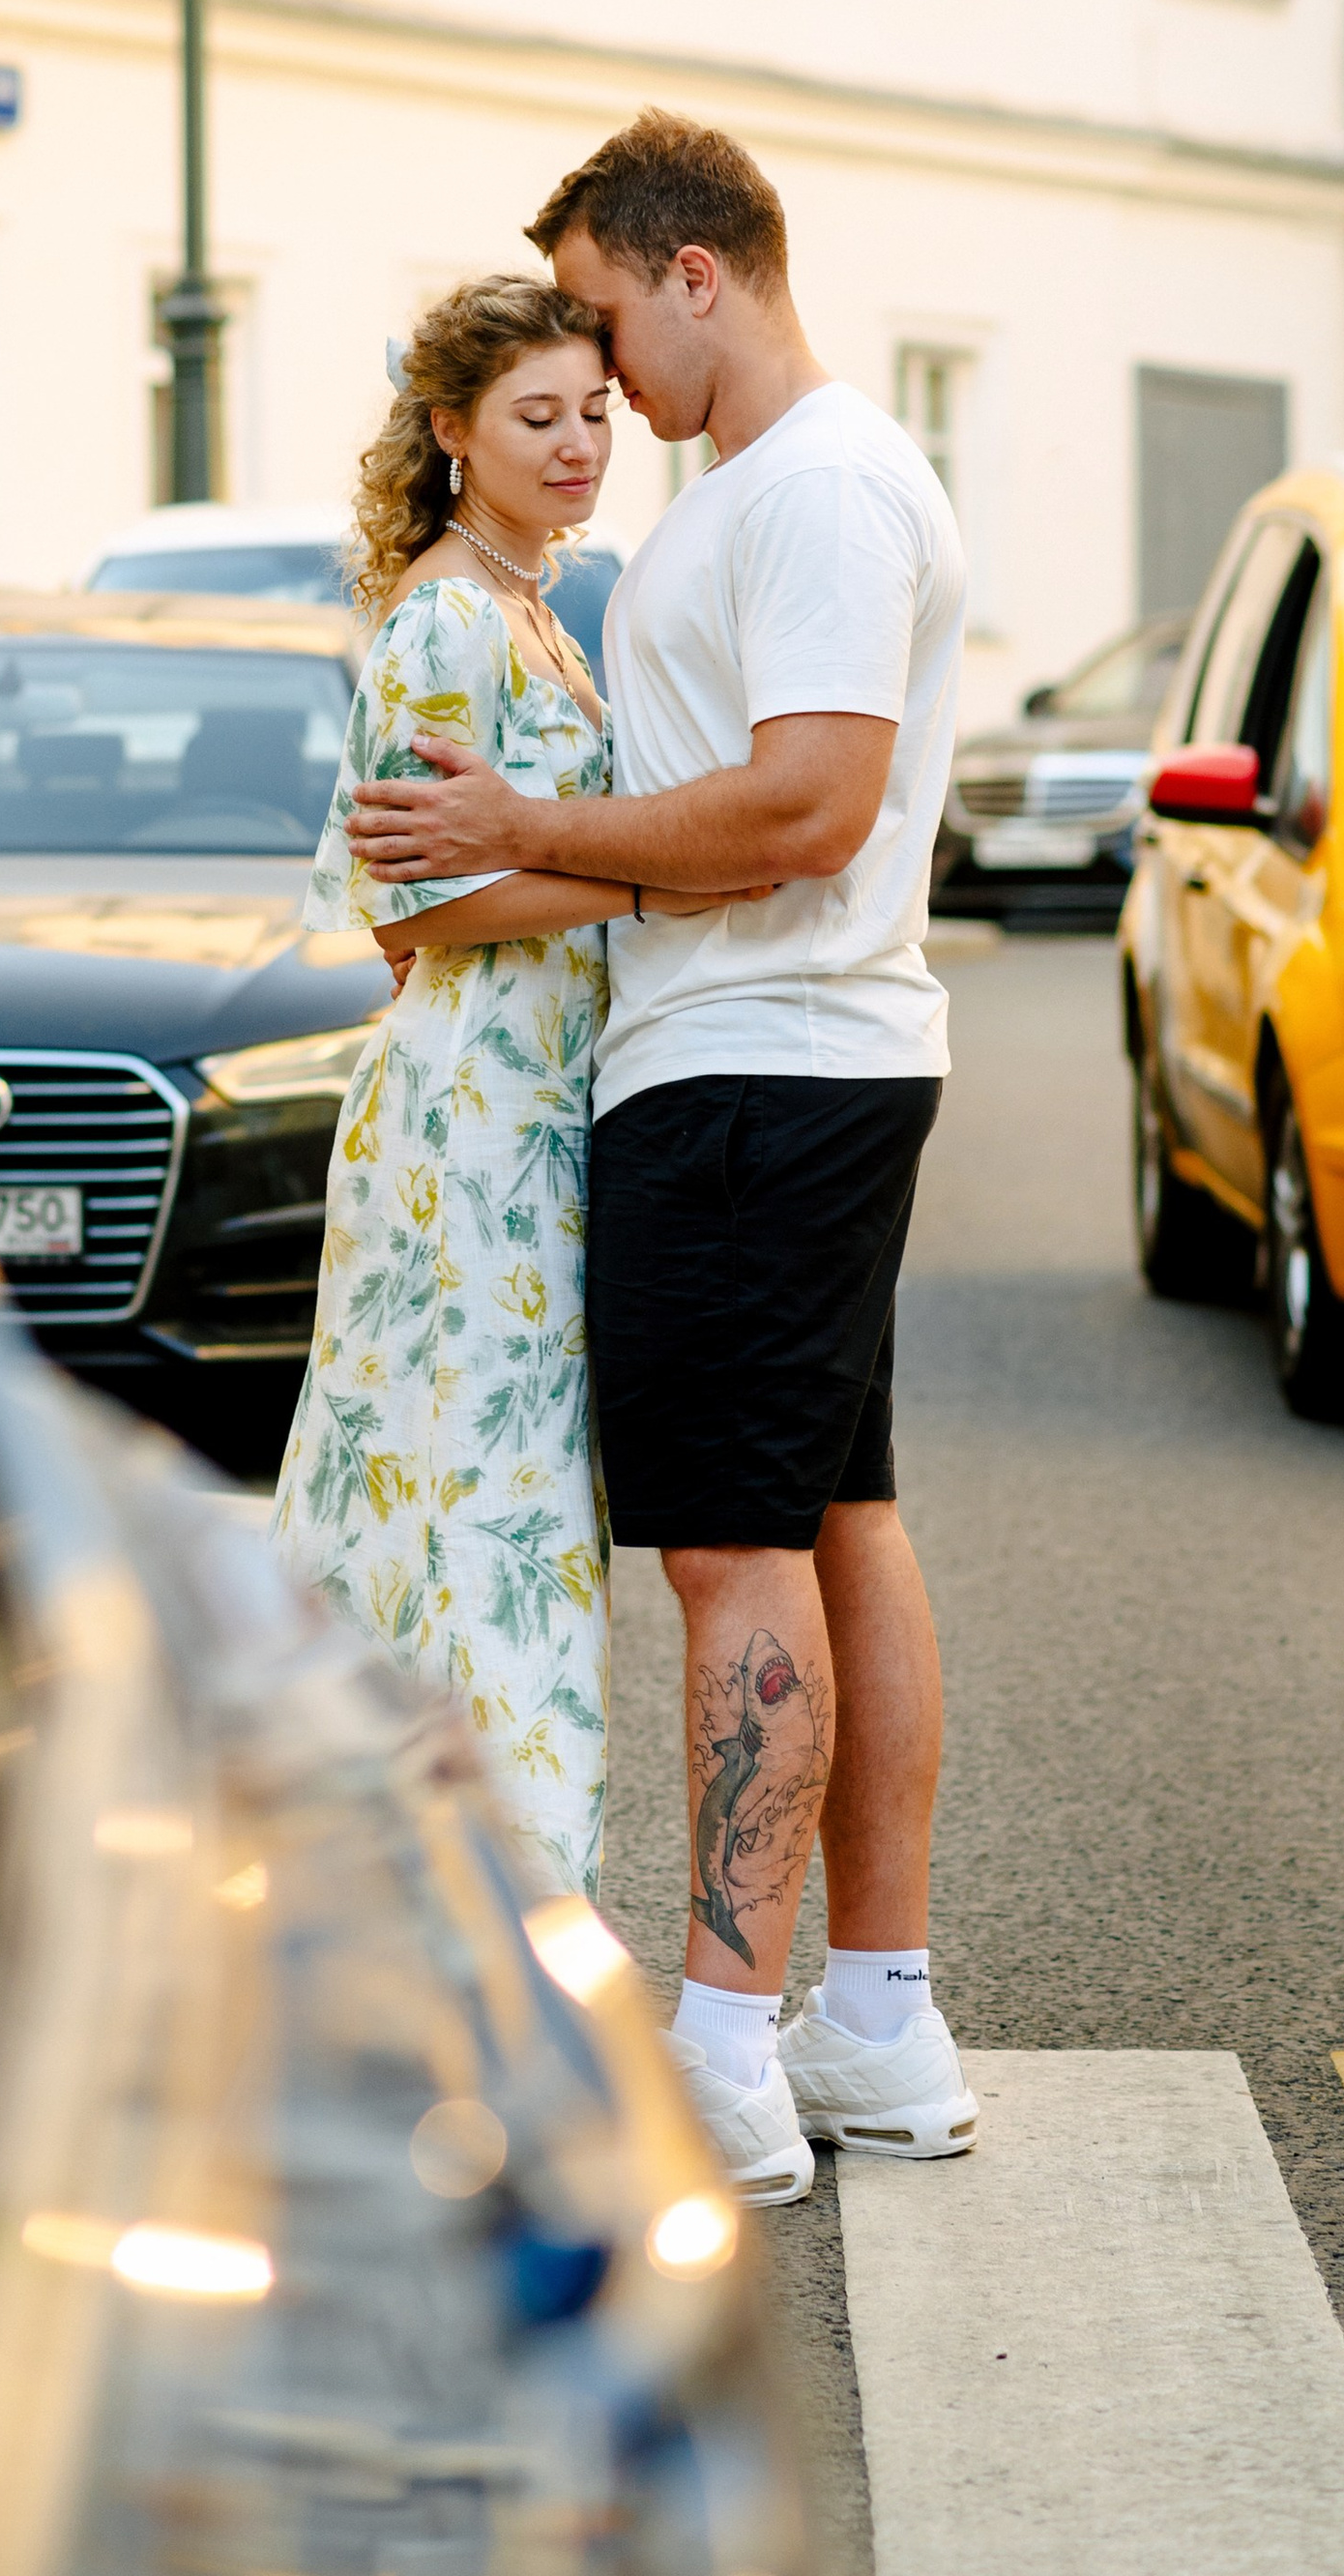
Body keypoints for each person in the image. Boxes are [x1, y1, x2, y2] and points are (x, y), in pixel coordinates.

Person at [345, 114, 977, 2205]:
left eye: (608, 323)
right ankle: (869, 2017)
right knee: (830, 1518)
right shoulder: (767, 496)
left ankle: (722, 2050)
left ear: (691, 270)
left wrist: (530, 830)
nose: (604, 382)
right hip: (792, 1062)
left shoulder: (810, 490)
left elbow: (800, 809)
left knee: (733, 1557)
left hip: (753, 1076)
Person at [272, 276, 748, 1896]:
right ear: (452, 430)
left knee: (501, 1498)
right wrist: (652, 886)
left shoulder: (549, 603)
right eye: (537, 416)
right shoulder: (447, 619)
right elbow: (416, 904)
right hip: (466, 1127)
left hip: (539, 1114)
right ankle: (491, 1897)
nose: (579, 445)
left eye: (596, 413)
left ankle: (439, 1883)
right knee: (476, 1505)